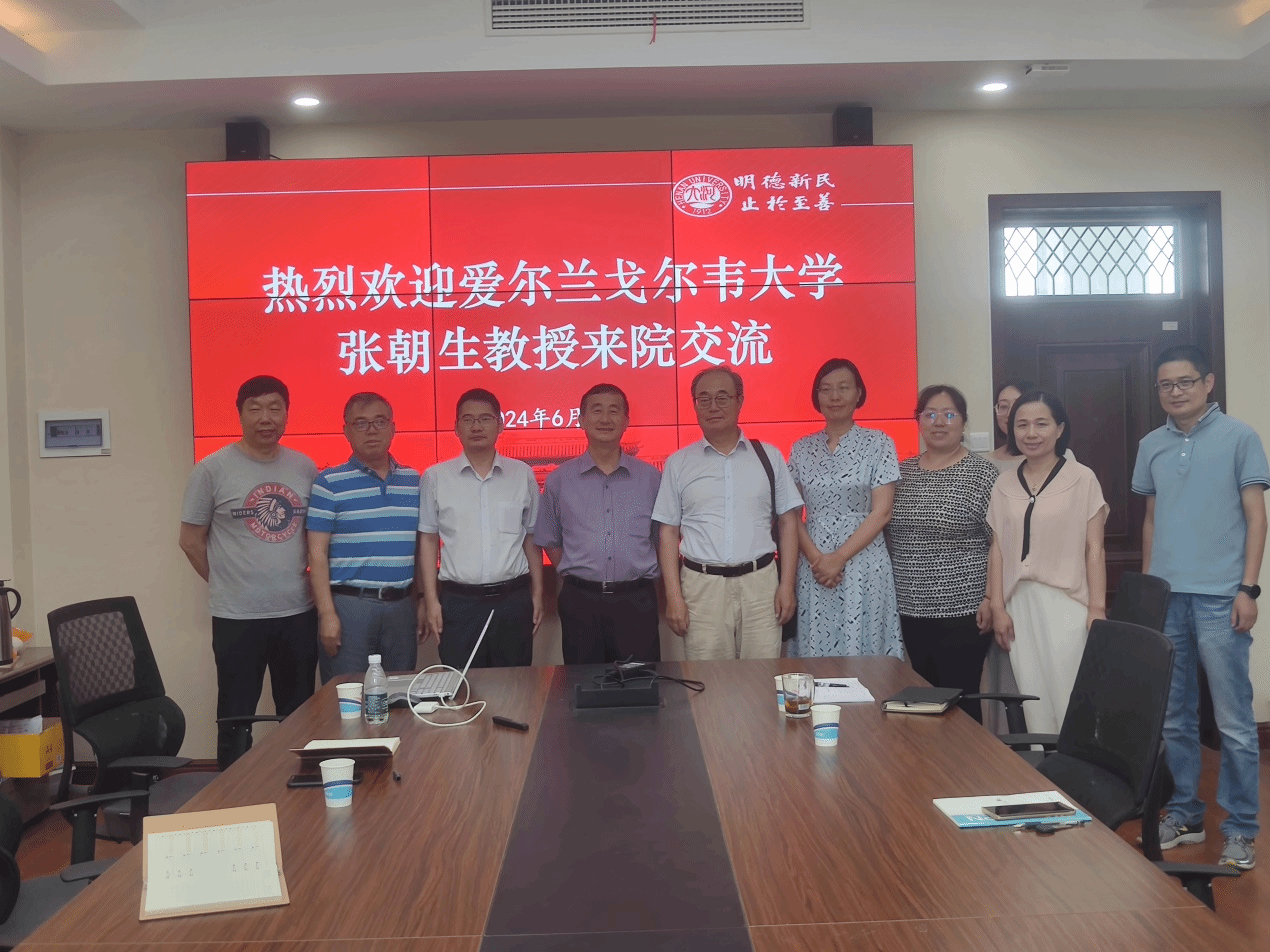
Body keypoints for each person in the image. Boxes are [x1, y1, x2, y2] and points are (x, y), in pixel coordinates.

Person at [1133, 345, 1266, 871]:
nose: (1175, 392)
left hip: (1221, 598)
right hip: (1169, 598)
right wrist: (1149, 588)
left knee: (1233, 720)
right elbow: (1151, 519)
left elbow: (1256, 517)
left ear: (1208, 383)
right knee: (1173, 717)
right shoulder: (1151, 444)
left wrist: (1248, 589)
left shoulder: (1239, 437)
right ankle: (1186, 814)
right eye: (1166, 385)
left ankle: (1241, 828)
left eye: (1185, 382)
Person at [178, 375, 318, 769]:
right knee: (235, 716)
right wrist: (227, 580)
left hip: (297, 613)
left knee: (299, 712)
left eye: (275, 408)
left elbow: (316, 537)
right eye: (255, 409)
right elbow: (190, 541)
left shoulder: (304, 467)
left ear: (287, 414)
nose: (265, 417)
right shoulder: (212, 469)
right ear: (239, 414)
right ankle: (230, 794)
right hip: (237, 618)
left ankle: (299, 787)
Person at [653, 366, 801, 660]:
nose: (713, 407)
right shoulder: (678, 463)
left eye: (722, 398)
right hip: (702, 588)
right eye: (704, 399)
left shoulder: (769, 456)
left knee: (760, 676)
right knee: (708, 680)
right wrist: (674, 596)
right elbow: (668, 533)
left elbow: (788, 523)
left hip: (761, 585)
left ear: (739, 401)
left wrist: (787, 585)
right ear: (695, 405)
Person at [987, 391, 1108, 735]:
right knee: (1034, 702)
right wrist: (997, 607)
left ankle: (1079, 767)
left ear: (1060, 429)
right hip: (1019, 607)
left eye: (1041, 424)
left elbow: (1095, 548)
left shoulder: (1082, 478)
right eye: (1022, 425)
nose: (1031, 433)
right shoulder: (1003, 483)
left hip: (1066, 603)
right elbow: (997, 550)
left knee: (1072, 697)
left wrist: (1096, 608)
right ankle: (1045, 767)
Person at [888, 385, 999, 719]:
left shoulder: (982, 474)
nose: (939, 422)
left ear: (963, 422)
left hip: (964, 610)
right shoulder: (901, 472)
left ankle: (970, 757)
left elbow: (999, 543)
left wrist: (991, 598)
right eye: (930, 414)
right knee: (921, 704)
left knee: (960, 703)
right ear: (919, 421)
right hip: (910, 609)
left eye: (949, 415)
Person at [535, 384, 662, 664]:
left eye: (614, 411)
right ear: (581, 420)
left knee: (640, 683)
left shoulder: (651, 479)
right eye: (596, 411)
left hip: (636, 601)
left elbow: (660, 539)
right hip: (581, 602)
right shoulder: (560, 480)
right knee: (583, 683)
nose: (605, 419)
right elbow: (551, 540)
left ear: (626, 421)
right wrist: (581, 573)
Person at [417, 389, 543, 669]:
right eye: (468, 419)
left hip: (513, 600)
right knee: (462, 684)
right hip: (459, 603)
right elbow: (428, 540)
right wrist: (432, 600)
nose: (476, 426)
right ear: (456, 428)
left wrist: (536, 593)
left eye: (485, 419)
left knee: (514, 686)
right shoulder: (435, 477)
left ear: (500, 425)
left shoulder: (521, 474)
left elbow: (531, 538)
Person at [788, 358, 902, 658]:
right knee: (816, 646)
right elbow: (791, 514)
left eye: (843, 388)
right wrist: (818, 560)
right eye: (826, 389)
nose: (834, 396)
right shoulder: (801, 448)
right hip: (814, 563)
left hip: (863, 560)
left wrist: (838, 557)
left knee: (865, 650)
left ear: (859, 393)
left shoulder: (879, 443)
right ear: (817, 396)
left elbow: (882, 511)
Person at [306, 392, 421, 683]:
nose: (371, 430)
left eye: (380, 422)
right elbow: (316, 554)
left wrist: (420, 600)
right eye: (361, 423)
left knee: (399, 692)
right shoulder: (329, 482)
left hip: (401, 607)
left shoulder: (414, 481)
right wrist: (327, 614)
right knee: (348, 694)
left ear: (393, 428)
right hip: (350, 608)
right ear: (346, 431)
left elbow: (421, 547)